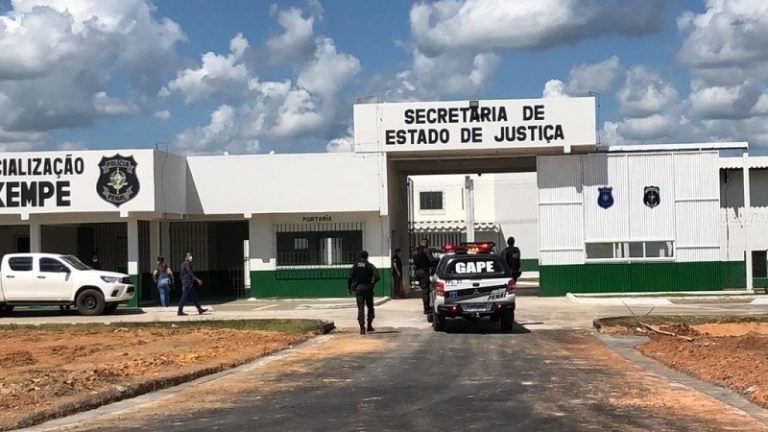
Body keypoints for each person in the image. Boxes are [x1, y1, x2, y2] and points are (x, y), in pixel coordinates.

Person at [348, 250, 380, 335]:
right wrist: (372, 284)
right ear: (367, 257)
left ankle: (362, 328)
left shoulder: (355, 265)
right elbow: (377, 277)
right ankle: (369, 325)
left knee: (360, 309)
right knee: (370, 307)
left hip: (359, 289)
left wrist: (349, 288)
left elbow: (350, 277)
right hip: (368, 289)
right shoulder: (370, 266)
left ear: (360, 256)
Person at [177, 251, 208, 316]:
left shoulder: (183, 264)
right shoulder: (186, 264)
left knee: (194, 296)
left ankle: (199, 309)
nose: (191, 257)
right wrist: (197, 280)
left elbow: (181, 274)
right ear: (185, 257)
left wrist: (182, 280)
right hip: (187, 282)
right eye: (189, 256)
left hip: (186, 281)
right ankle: (180, 311)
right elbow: (189, 273)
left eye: (191, 255)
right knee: (184, 297)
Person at [413, 238, 438, 314]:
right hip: (424, 272)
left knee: (424, 289)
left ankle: (426, 307)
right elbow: (432, 260)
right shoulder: (426, 250)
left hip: (417, 272)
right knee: (426, 290)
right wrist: (439, 259)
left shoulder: (415, 251)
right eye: (428, 244)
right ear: (426, 243)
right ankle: (426, 308)